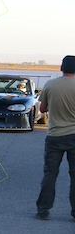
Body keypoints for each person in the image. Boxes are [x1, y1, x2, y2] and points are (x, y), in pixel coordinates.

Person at [36, 55, 75, 220]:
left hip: (54, 137)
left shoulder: (50, 85)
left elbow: (43, 109)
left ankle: (43, 209)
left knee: (50, 174)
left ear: (61, 67)